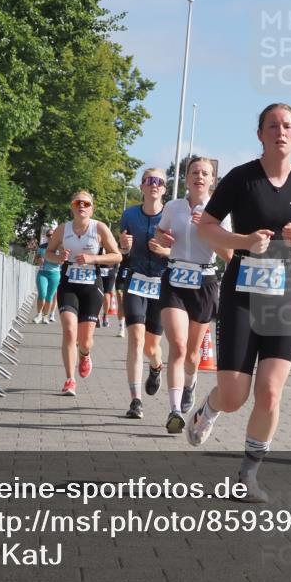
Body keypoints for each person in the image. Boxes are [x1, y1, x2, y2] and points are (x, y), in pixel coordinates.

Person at [189, 103, 291, 502]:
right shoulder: (241, 178)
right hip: (242, 291)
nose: (280, 131)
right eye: (272, 125)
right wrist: (243, 242)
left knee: (271, 392)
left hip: (284, 297)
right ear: (260, 134)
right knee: (235, 395)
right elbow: (207, 228)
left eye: (287, 126)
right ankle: (209, 408)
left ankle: (247, 476)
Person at [154, 156, 233, 434]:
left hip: (204, 280)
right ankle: (174, 410)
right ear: (185, 179)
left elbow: (229, 255)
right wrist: (161, 238)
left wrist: (209, 231)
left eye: (205, 173)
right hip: (175, 278)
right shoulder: (173, 207)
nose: (199, 176)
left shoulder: (220, 212)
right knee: (176, 345)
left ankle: (190, 383)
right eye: (194, 172)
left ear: (213, 180)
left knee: (191, 353)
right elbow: (160, 232)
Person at [45, 191, 122, 396]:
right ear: (72, 206)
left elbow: (117, 256)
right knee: (70, 331)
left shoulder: (99, 228)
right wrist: (59, 257)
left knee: (85, 340)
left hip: (91, 286)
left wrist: (92, 259)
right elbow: (48, 253)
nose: (82, 206)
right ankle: (70, 380)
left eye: (86, 203)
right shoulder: (63, 229)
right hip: (69, 284)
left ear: (92, 208)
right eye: (78, 203)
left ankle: (85, 354)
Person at [119, 169, 170, 419]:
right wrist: (124, 248)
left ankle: (157, 366)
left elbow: (183, 251)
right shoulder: (129, 215)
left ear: (164, 189)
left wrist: (166, 251)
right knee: (136, 341)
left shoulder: (171, 216)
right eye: (149, 180)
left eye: (159, 181)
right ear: (142, 186)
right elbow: (123, 252)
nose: (154, 185)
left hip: (161, 284)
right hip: (135, 281)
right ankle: (135, 400)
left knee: (152, 347)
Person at [33, 226, 61, 324]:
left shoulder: (60, 247)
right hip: (43, 273)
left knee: (49, 297)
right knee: (42, 293)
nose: (50, 237)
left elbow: (62, 261)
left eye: (52, 235)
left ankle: (46, 316)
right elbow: (36, 259)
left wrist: (55, 259)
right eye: (48, 235)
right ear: (46, 236)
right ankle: (38, 314)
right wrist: (39, 260)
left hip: (55, 274)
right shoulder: (42, 247)